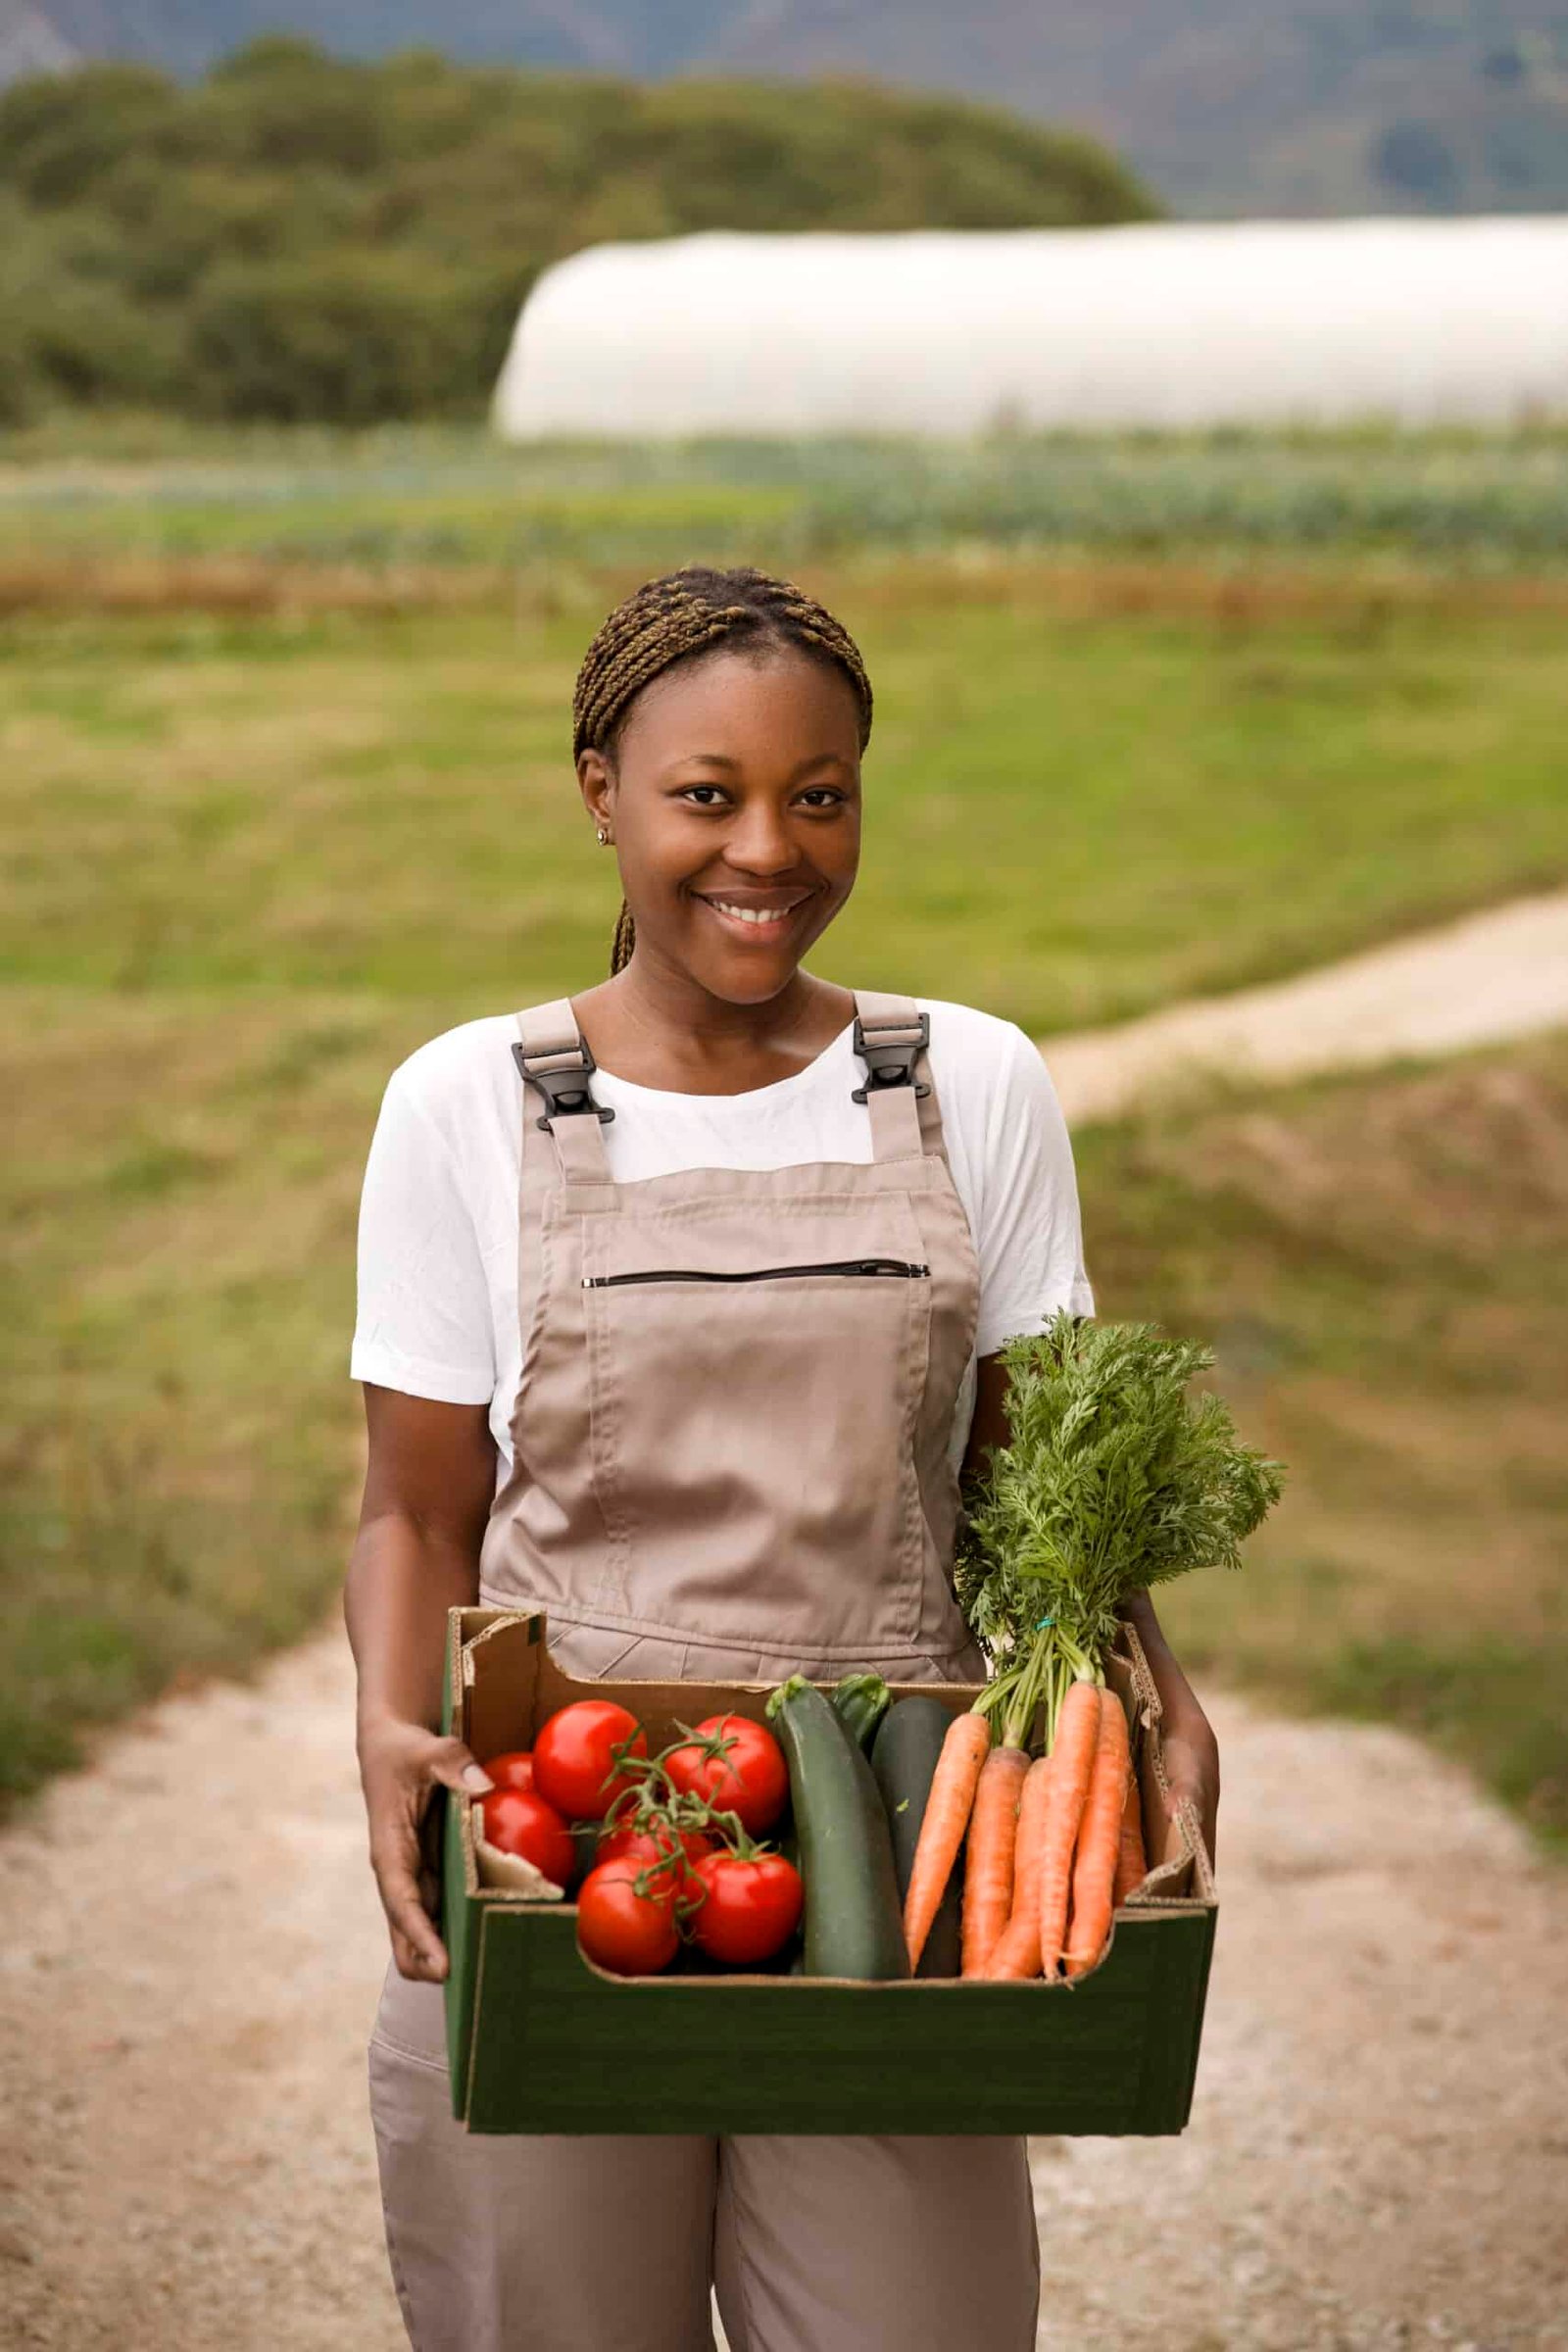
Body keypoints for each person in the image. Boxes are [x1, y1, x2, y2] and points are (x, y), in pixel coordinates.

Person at [346, 565, 1219, 2352]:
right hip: (567, 1834)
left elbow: (1033, 1487)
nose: (769, 848)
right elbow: (418, 1509)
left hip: (897, 1847)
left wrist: (1152, 1685)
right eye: (706, 795)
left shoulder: (966, 1081)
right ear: (601, 793)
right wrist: (385, 1726)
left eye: (819, 796)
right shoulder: (468, 1101)